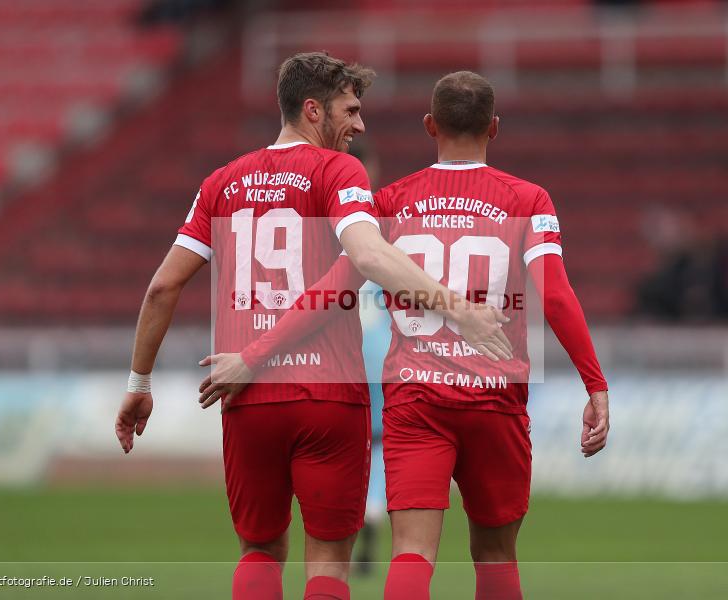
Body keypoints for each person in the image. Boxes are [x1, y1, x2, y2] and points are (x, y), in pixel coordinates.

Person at [115, 53, 510, 600]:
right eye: (350, 109)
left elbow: (161, 287)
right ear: (312, 110)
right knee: (328, 558)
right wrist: (459, 308)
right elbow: (367, 257)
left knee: (259, 551)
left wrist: (139, 383)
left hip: (246, 396)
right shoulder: (338, 171)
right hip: (328, 396)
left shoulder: (221, 183)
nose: (361, 123)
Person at [212, 71, 611, 599]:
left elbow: (330, 292)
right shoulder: (529, 200)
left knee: (411, 556)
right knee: (495, 557)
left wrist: (255, 354)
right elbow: (556, 297)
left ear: (430, 126)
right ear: (494, 127)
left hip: (417, 399)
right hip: (495, 400)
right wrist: (595, 384)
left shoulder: (390, 202)